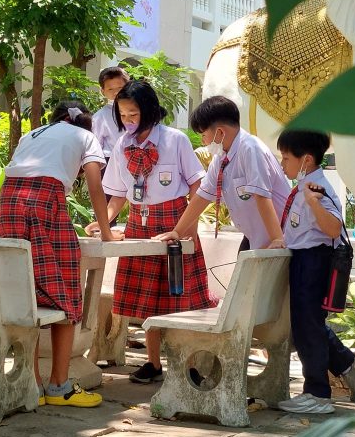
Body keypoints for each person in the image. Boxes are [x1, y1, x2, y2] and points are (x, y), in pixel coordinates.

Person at [0, 100, 123, 408]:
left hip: (8, 202)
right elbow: (95, 187)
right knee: (67, 290)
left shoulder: (32, 134)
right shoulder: (85, 136)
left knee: (25, 294)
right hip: (45, 203)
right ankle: (59, 386)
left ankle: (32, 385)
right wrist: (107, 233)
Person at [86, 79, 216, 383]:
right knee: (147, 301)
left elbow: (198, 185)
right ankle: (153, 363)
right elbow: (118, 194)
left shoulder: (174, 140)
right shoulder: (122, 144)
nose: (128, 120)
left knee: (179, 299)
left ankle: (188, 365)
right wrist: (103, 222)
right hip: (138, 225)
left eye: (133, 114)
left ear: (149, 110)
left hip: (175, 223)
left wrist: (188, 227)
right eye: (123, 115)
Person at [276, 128, 355, 415]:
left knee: (308, 327)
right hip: (302, 258)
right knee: (307, 324)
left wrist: (314, 202)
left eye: (286, 158)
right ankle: (348, 364)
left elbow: (333, 228)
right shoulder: (305, 185)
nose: (282, 164)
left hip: (313, 261)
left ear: (306, 159)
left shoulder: (317, 189)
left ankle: (317, 393)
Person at [152, 95, 289, 252]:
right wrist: (177, 232)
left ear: (220, 132)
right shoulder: (221, 158)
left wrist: (277, 239)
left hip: (281, 236)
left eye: (204, 135)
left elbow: (262, 196)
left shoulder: (251, 149)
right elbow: (203, 195)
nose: (203, 141)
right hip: (255, 237)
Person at [92, 66, 130, 164]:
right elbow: (95, 147)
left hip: (139, 159)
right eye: (110, 89)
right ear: (102, 91)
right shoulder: (100, 117)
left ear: (128, 86)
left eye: (120, 88)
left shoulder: (140, 110)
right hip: (111, 161)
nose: (116, 92)